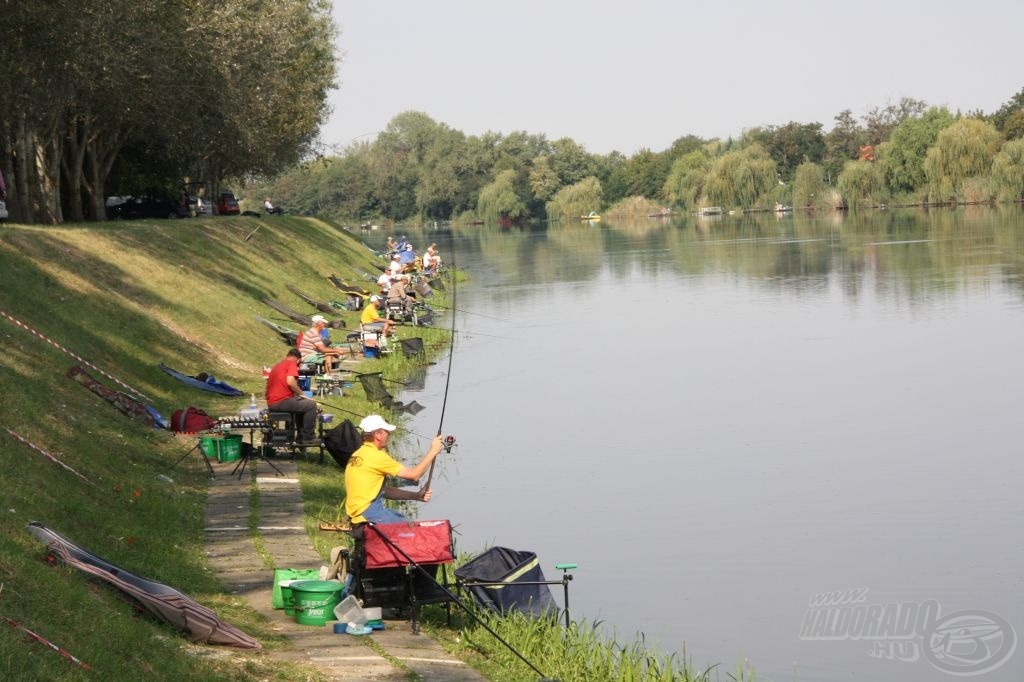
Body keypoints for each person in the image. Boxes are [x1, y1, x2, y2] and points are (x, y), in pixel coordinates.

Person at [344, 414, 445, 524]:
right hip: (368, 514)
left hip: (359, 514)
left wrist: (415, 496)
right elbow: (414, 475)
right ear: (377, 435)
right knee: (413, 531)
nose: (389, 434)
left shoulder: (359, 453)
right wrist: (433, 451)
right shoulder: (376, 456)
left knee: (409, 526)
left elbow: (382, 491)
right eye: (387, 431)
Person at [265, 348, 318, 446]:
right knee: (311, 405)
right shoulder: (292, 364)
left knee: (301, 405)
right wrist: (302, 394)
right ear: (298, 360)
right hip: (279, 402)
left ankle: (300, 437)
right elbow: (290, 382)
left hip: (273, 402)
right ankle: (308, 437)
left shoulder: (278, 365)